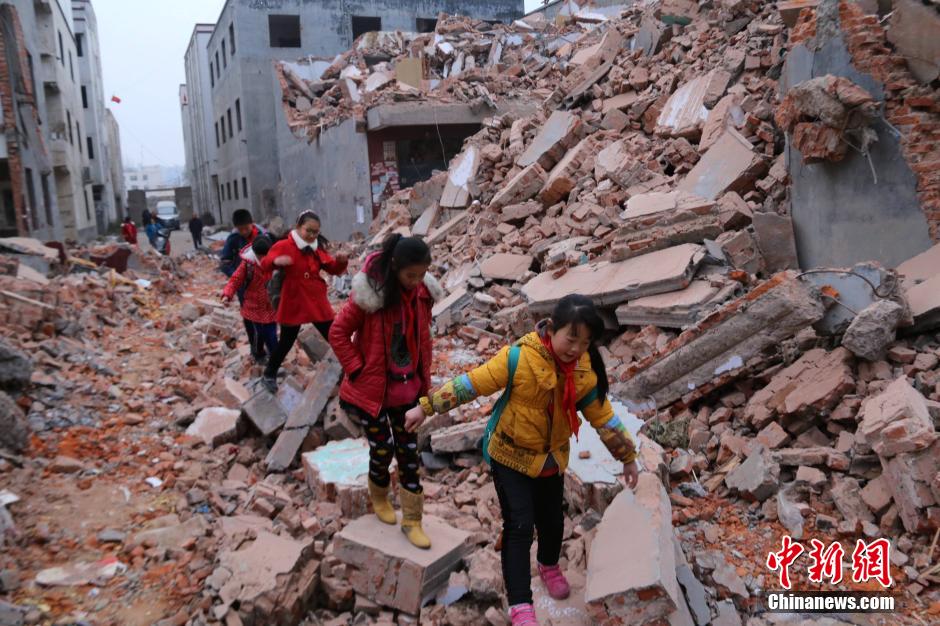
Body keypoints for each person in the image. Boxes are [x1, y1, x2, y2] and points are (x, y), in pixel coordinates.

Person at [404, 294, 639, 626]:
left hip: (551, 459)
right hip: (510, 455)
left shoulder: (583, 371)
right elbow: (472, 384)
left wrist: (627, 457)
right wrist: (426, 407)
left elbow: (604, 418)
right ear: (552, 329)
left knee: (552, 521)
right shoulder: (518, 358)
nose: (576, 348)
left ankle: (548, 566)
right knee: (519, 526)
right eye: (571, 338)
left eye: (585, 342)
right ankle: (521, 606)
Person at [329, 235, 442, 549]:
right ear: (394, 267)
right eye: (410, 275)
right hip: (373, 393)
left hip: (408, 391)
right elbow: (338, 332)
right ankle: (379, 495)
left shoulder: (423, 295)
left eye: (421, 275)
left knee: (408, 455)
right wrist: (356, 369)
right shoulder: (370, 295)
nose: (416, 281)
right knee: (382, 449)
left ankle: (412, 520)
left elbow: (423, 340)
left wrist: (425, 385)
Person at [259, 211, 348, 393]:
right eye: (309, 231)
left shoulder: (315, 248)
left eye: (316, 232)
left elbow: (332, 268)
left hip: (316, 301)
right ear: (298, 227)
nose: (312, 235)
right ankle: (269, 374)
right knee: (286, 341)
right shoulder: (284, 245)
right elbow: (265, 264)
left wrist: (341, 262)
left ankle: (353, 370)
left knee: (334, 335)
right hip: (294, 300)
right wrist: (276, 261)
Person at [221, 235, 277, 365]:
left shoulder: (276, 263)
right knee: (259, 334)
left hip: (270, 306)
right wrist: (227, 294)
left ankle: (274, 359)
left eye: (265, 256)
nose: (262, 259)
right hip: (253, 307)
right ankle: (259, 354)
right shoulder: (248, 264)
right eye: (259, 256)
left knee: (271, 334)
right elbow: (235, 280)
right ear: (254, 253)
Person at [219, 209, 266, 361]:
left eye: (246, 228)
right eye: (240, 229)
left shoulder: (263, 236)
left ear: (252, 224)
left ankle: (265, 347)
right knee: (249, 317)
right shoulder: (234, 239)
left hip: (263, 285)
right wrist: (238, 275)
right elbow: (224, 263)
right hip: (244, 288)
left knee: (266, 317)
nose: (244, 232)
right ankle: (255, 348)